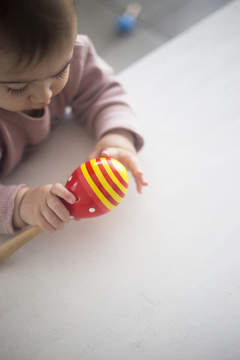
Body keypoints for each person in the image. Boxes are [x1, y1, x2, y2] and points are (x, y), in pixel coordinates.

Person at [0, 0, 148, 235]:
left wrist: (118, 135)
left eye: (59, 72)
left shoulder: (72, 54)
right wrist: (20, 204)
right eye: (18, 88)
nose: (44, 95)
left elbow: (103, 90)